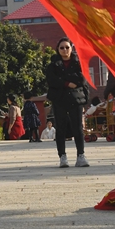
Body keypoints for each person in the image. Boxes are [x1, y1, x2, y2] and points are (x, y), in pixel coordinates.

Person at [45, 37, 90, 168]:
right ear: (58, 50)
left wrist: (65, 80)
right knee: (61, 128)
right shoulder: (53, 65)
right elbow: (52, 80)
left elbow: (81, 78)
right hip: (59, 99)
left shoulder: (78, 62)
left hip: (76, 99)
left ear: (71, 48)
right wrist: (66, 83)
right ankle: (62, 157)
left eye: (67, 47)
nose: (65, 50)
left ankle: (81, 155)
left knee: (78, 128)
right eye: (62, 48)